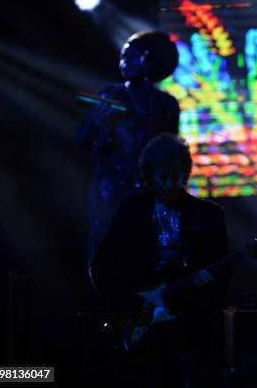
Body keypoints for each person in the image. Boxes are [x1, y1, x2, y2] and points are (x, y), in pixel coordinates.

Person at [90, 133, 228, 386]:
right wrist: (131, 304)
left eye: (175, 176)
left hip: (190, 331)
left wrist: (204, 289)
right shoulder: (131, 211)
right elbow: (100, 267)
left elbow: (223, 278)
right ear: (148, 175)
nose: (169, 184)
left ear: (185, 173)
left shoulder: (209, 215)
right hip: (143, 331)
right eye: (162, 177)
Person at [76, 31, 180, 263]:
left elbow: (172, 152)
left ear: (149, 59)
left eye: (130, 57)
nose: (124, 63)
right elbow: (81, 142)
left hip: (148, 191)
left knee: (146, 255)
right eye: (122, 57)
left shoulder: (166, 104)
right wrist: (97, 125)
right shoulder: (111, 95)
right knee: (106, 251)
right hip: (111, 188)